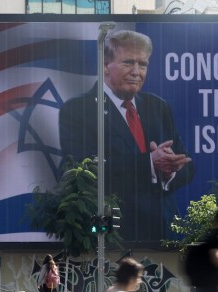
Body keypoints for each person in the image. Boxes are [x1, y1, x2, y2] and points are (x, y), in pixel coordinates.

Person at [59, 29, 194, 243]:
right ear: (105, 66)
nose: (136, 71)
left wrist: (170, 171)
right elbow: (84, 173)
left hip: (163, 237)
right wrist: (150, 163)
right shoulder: (78, 110)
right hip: (114, 237)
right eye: (128, 63)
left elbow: (187, 165)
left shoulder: (158, 107)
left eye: (143, 64)